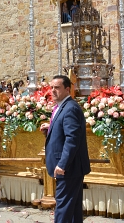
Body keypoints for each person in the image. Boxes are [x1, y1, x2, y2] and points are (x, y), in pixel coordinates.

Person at [40, 75, 91, 223]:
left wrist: (62, 164)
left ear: (67, 89)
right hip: (71, 168)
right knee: (73, 209)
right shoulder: (62, 106)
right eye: (52, 87)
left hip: (69, 168)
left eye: (57, 88)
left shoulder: (70, 108)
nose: (53, 91)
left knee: (63, 208)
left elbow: (72, 139)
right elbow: (67, 130)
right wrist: (51, 128)